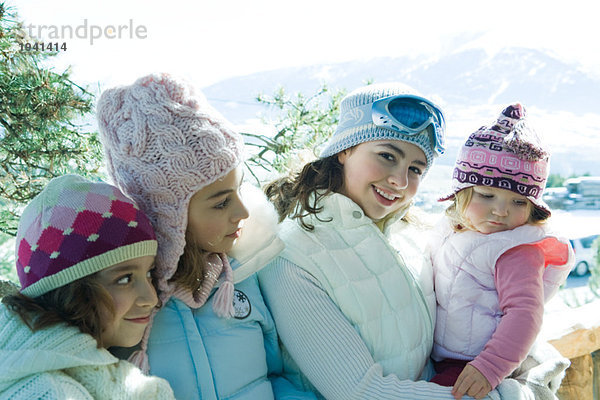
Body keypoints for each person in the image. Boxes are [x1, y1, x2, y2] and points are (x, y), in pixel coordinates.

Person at [258, 83, 570, 400]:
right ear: (345, 148)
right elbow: (360, 392)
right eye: (386, 156)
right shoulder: (293, 256)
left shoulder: (413, 236)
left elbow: (484, 316)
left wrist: (524, 363)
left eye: (416, 168)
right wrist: (506, 395)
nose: (400, 180)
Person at [96, 73, 316, 399]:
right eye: (222, 202)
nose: (243, 211)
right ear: (168, 216)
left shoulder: (247, 273)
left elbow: (277, 373)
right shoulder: (131, 307)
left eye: (239, 189)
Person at [429, 103, 573, 399]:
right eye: (486, 195)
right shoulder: (457, 230)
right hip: (451, 356)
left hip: (477, 363)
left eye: (518, 202)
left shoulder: (514, 250)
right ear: (461, 193)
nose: (500, 211)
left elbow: (525, 313)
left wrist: (490, 366)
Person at [0, 174, 175, 399]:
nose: (151, 298)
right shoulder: (49, 393)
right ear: (68, 291)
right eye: (125, 279)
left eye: (149, 273)